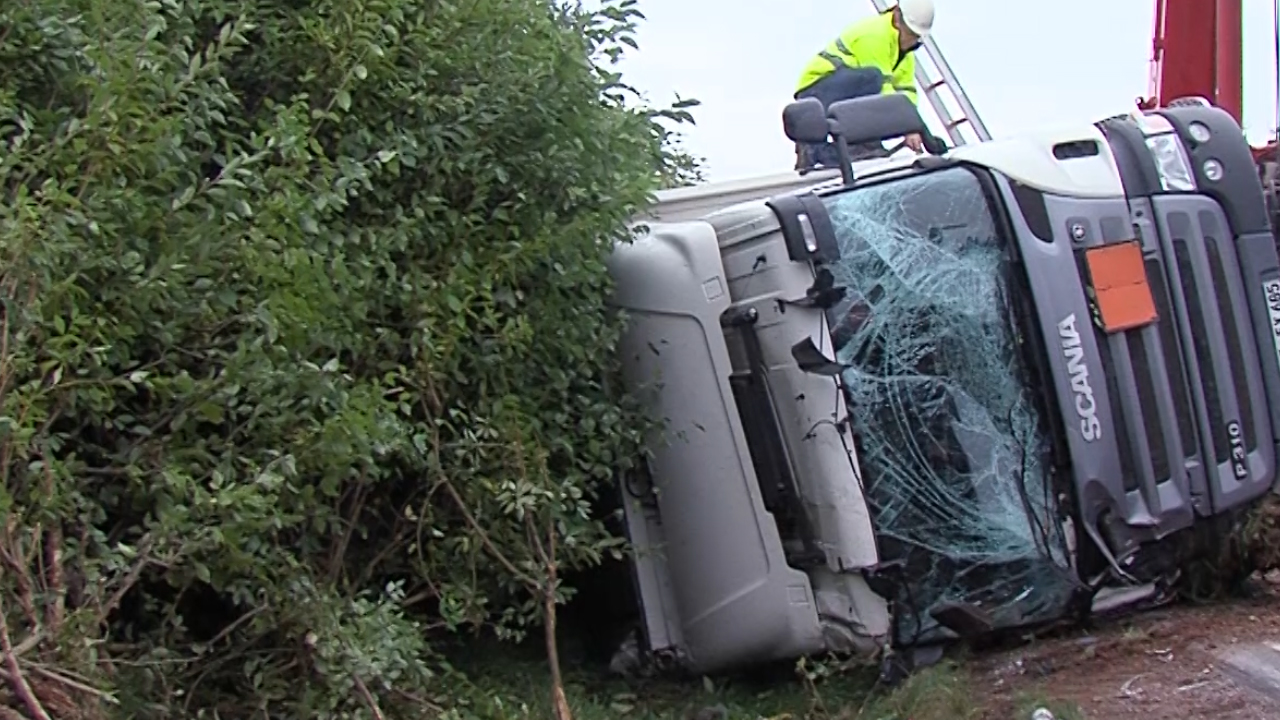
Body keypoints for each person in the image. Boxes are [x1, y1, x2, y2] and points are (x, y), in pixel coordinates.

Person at [793, 0, 934, 170]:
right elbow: (883, 92)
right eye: (910, 34)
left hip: (844, 92)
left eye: (916, 37)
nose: (912, 41)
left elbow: (906, 92)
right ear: (897, 19)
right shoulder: (875, 35)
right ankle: (814, 148)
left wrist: (915, 126)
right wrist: (907, 128)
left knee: (877, 90)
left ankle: (857, 148)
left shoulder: (904, 54)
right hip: (816, 93)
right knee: (873, 79)